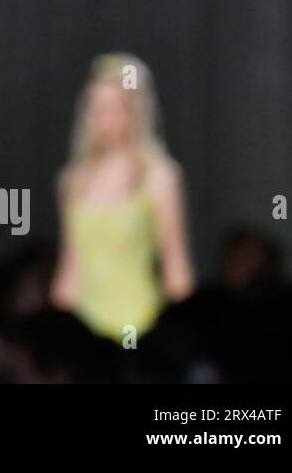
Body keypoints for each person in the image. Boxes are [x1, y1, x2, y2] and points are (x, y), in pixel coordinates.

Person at [50, 52, 195, 344]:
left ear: (133, 111)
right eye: (96, 107)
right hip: (84, 331)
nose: (102, 118)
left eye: (112, 107)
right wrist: (57, 331)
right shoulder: (74, 181)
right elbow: (71, 266)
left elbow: (175, 266)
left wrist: (180, 338)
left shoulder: (158, 177)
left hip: (140, 327)